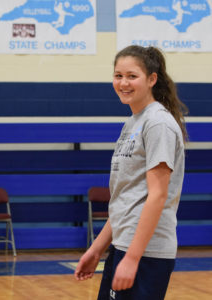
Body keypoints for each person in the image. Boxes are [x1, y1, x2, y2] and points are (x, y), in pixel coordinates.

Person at [75, 45, 188, 300]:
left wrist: (133, 258)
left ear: (152, 79)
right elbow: (126, 199)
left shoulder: (158, 123)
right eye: (118, 75)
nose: (123, 83)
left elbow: (157, 196)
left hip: (146, 253)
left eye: (132, 76)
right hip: (123, 247)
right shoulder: (133, 123)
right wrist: (96, 250)